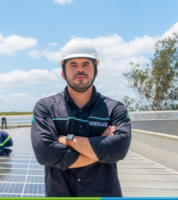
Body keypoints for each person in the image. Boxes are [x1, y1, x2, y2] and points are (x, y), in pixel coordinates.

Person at [31, 38, 131, 197]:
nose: (80, 70)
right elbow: (45, 153)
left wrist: (66, 140)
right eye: (73, 64)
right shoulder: (46, 107)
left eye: (86, 64)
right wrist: (100, 149)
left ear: (96, 71)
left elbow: (117, 151)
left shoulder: (115, 109)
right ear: (63, 73)